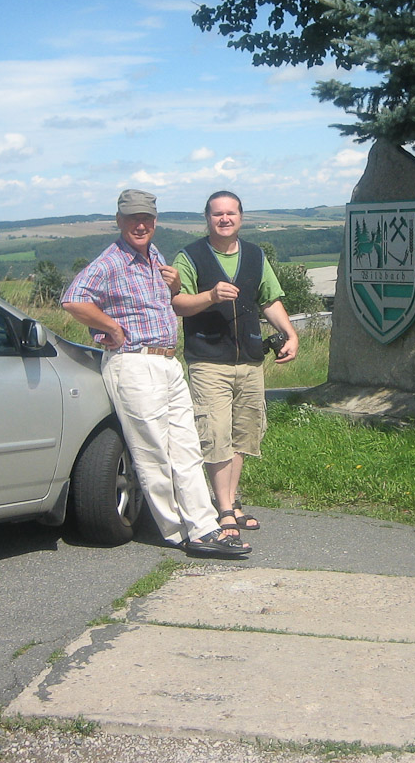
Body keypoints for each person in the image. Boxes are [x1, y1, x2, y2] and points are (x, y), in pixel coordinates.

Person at [61, 189, 250, 559]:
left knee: (186, 448)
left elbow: (167, 303)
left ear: (155, 220)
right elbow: (73, 299)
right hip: (134, 363)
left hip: (166, 362)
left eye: (146, 218)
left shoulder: (154, 256)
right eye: (132, 219)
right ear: (119, 221)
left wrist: (175, 286)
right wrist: (111, 328)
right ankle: (177, 531)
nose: (140, 225)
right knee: (154, 452)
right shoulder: (110, 262)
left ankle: (204, 526)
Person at [172, 190, 299, 536]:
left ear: (241, 217)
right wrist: (211, 295)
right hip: (209, 360)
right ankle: (224, 510)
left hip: (250, 360)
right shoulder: (190, 256)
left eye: (231, 213)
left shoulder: (255, 255)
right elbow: (178, 303)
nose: (224, 219)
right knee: (215, 434)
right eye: (217, 214)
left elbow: (269, 300)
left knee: (243, 434)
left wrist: (290, 334)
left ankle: (231, 500)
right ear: (207, 218)